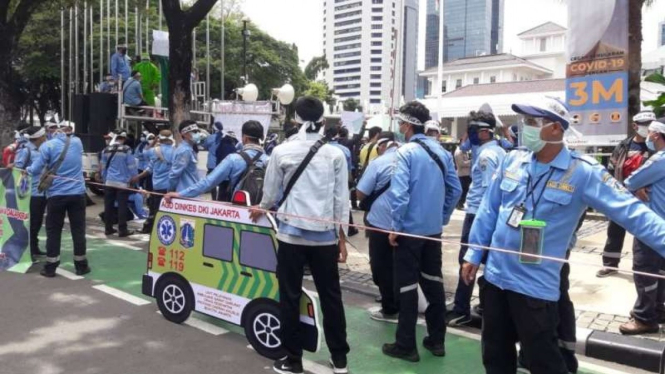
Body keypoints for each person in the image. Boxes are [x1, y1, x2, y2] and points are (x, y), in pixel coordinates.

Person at [461, 97, 665, 374]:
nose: (524, 128)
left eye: (532, 122)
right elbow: (489, 209)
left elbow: (634, 214)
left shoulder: (583, 172)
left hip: (535, 288)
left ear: (556, 128)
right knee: (495, 357)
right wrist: (474, 253)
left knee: (544, 362)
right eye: (524, 121)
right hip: (496, 280)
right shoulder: (513, 160)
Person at [250, 96, 350, 374]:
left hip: (291, 237)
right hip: (326, 238)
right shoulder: (336, 154)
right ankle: (340, 360)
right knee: (332, 297)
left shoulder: (282, 151)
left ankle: (293, 360)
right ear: (322, 120)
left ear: (295, 118)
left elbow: (270, 193)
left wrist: (262, 208)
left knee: (290, 297)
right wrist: (342, 239)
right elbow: (342, 200)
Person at [383, 101, 462, 362]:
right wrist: (440, 217)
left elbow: (400, 194)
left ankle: (406, 344)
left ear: (406, 125)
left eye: (400, 123)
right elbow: (456, 190)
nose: (399, 127)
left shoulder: (405, 153)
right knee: (434, 284)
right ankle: (436, 340)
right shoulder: (442, 152)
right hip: (432, 233)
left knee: (406, 288)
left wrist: (395, 227)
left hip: (408, 232)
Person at [447, 110, 506, 328]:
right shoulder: (497, 152)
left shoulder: (486, 156)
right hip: (482, 215)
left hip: (477, 215)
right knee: (487, 262)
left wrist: (483, 225)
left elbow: (489, 194)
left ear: (483, 133)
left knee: (467, 261)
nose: (467, 134)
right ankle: (483, 306)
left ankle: (462, 309)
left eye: (471, 130)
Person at [597, 111, 656, 278]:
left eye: (650, 124)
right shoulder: (624, 146)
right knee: (614, 231)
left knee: (645, 235)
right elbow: (611, 168)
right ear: (635, 126)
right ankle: (610, 264)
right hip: (622, 194)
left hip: (646, 198)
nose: (647, 128)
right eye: (644, 124)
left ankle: (646, 268)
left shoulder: (656, 147)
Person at [27, 122, 90, 278]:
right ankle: (81, 265)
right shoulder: (77, 142)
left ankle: (50, 267)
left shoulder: (47, 147)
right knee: (78, 230)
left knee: (54, 231)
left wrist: (23, 169)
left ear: (49, 132)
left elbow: (34, 170)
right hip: (77, 194)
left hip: (56, 195)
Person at [620, 119, 665, 334]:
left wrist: (640, 185)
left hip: (652, 226)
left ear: (656, 135)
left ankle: (644, 317)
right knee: (660, 272)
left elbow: (630, 182)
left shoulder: (660, 160)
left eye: (651, 132)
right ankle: (658, 309)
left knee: (645, 270)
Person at [165, 120, 267, 202]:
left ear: (244, 138)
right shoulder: (269, 160)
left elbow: (209, 182)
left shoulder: (233, 159)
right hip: (263, 211)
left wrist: (180, 194)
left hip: (239, 207)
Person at [357, 132, 400, 322]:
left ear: (384, 146)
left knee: (381, 265)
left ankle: (389, 307)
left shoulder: (379, 163)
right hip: (409, 224)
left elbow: (360, 193)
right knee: (403, 265)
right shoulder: (416, 161)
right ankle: (403, 304)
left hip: (380, 223)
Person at [14, 127, 48, 260]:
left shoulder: (42, 150)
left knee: (38, 222)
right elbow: (17, 169)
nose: (46, 137)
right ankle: (27, 251)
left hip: (41, 192)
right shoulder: (26, 150)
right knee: (31, 224)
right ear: (38, 137)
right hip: (30, 193)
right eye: (44, 136)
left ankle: (34, 247)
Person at [133, 129, 175, 233]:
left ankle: (149, 228)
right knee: (168, 210)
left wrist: (138, 176)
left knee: (154, 209)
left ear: (159, 138)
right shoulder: (175, 151)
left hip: (157, 186)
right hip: (170, 187)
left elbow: (147, 161)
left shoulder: (153, 151)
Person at [101, 131, 138, 237]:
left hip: (109, 182)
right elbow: (131, 165)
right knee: (122, 206)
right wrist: (134, 177)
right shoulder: (126, 149)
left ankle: (108, 228)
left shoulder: (106, 150)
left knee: (108, 206)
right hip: (122, 182)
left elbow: (103, 167)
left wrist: (104, 179)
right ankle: (122, 229)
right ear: (122, 139)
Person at [328, 126, 358, 237]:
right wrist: (350, 183)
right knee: (343, 203)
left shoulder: (319, 149)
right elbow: (349, 169)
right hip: (342, 180)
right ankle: (347, 229)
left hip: (325, 182)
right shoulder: (344, 150)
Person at [169, 120, 201, 192]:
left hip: (191, 190)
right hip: (185, 192)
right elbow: (175, 173)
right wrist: (170, 190)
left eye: (198, 131)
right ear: (185, 134)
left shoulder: (190, 149)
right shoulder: (185, 151)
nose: (198, 134)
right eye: (195, 132)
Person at [202, 121, 223, 199]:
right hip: (220, 163)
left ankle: (214, 198)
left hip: (211, 164)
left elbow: (205, 146)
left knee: (211, 181)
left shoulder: (210, 137)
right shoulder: (222, 137)